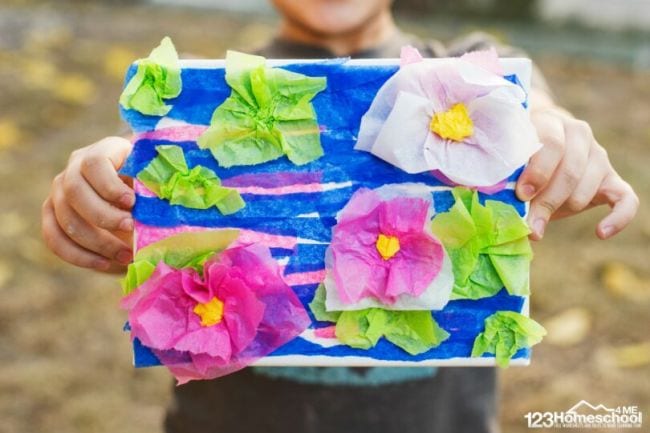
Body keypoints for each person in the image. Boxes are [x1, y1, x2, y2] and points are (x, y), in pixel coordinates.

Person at [40, 1, 639, 432]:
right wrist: (106, 189)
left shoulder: (475, 68)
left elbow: (539, 113)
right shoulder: (207, 91)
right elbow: (141, 162)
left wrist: (558, 134)